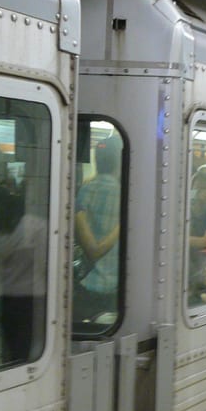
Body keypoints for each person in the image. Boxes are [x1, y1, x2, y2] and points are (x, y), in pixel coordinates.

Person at [0, 179, 47, 363]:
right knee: (28, 351)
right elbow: (43, 266)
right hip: (31, 299)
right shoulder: (35, 227)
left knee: (7, 350)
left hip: (4, 299)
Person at [75, 134, 121, 322]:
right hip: (116, 289)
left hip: (88, 284)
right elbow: (95, 250)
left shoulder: (84, 190)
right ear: (119, 162)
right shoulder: (127, 192)